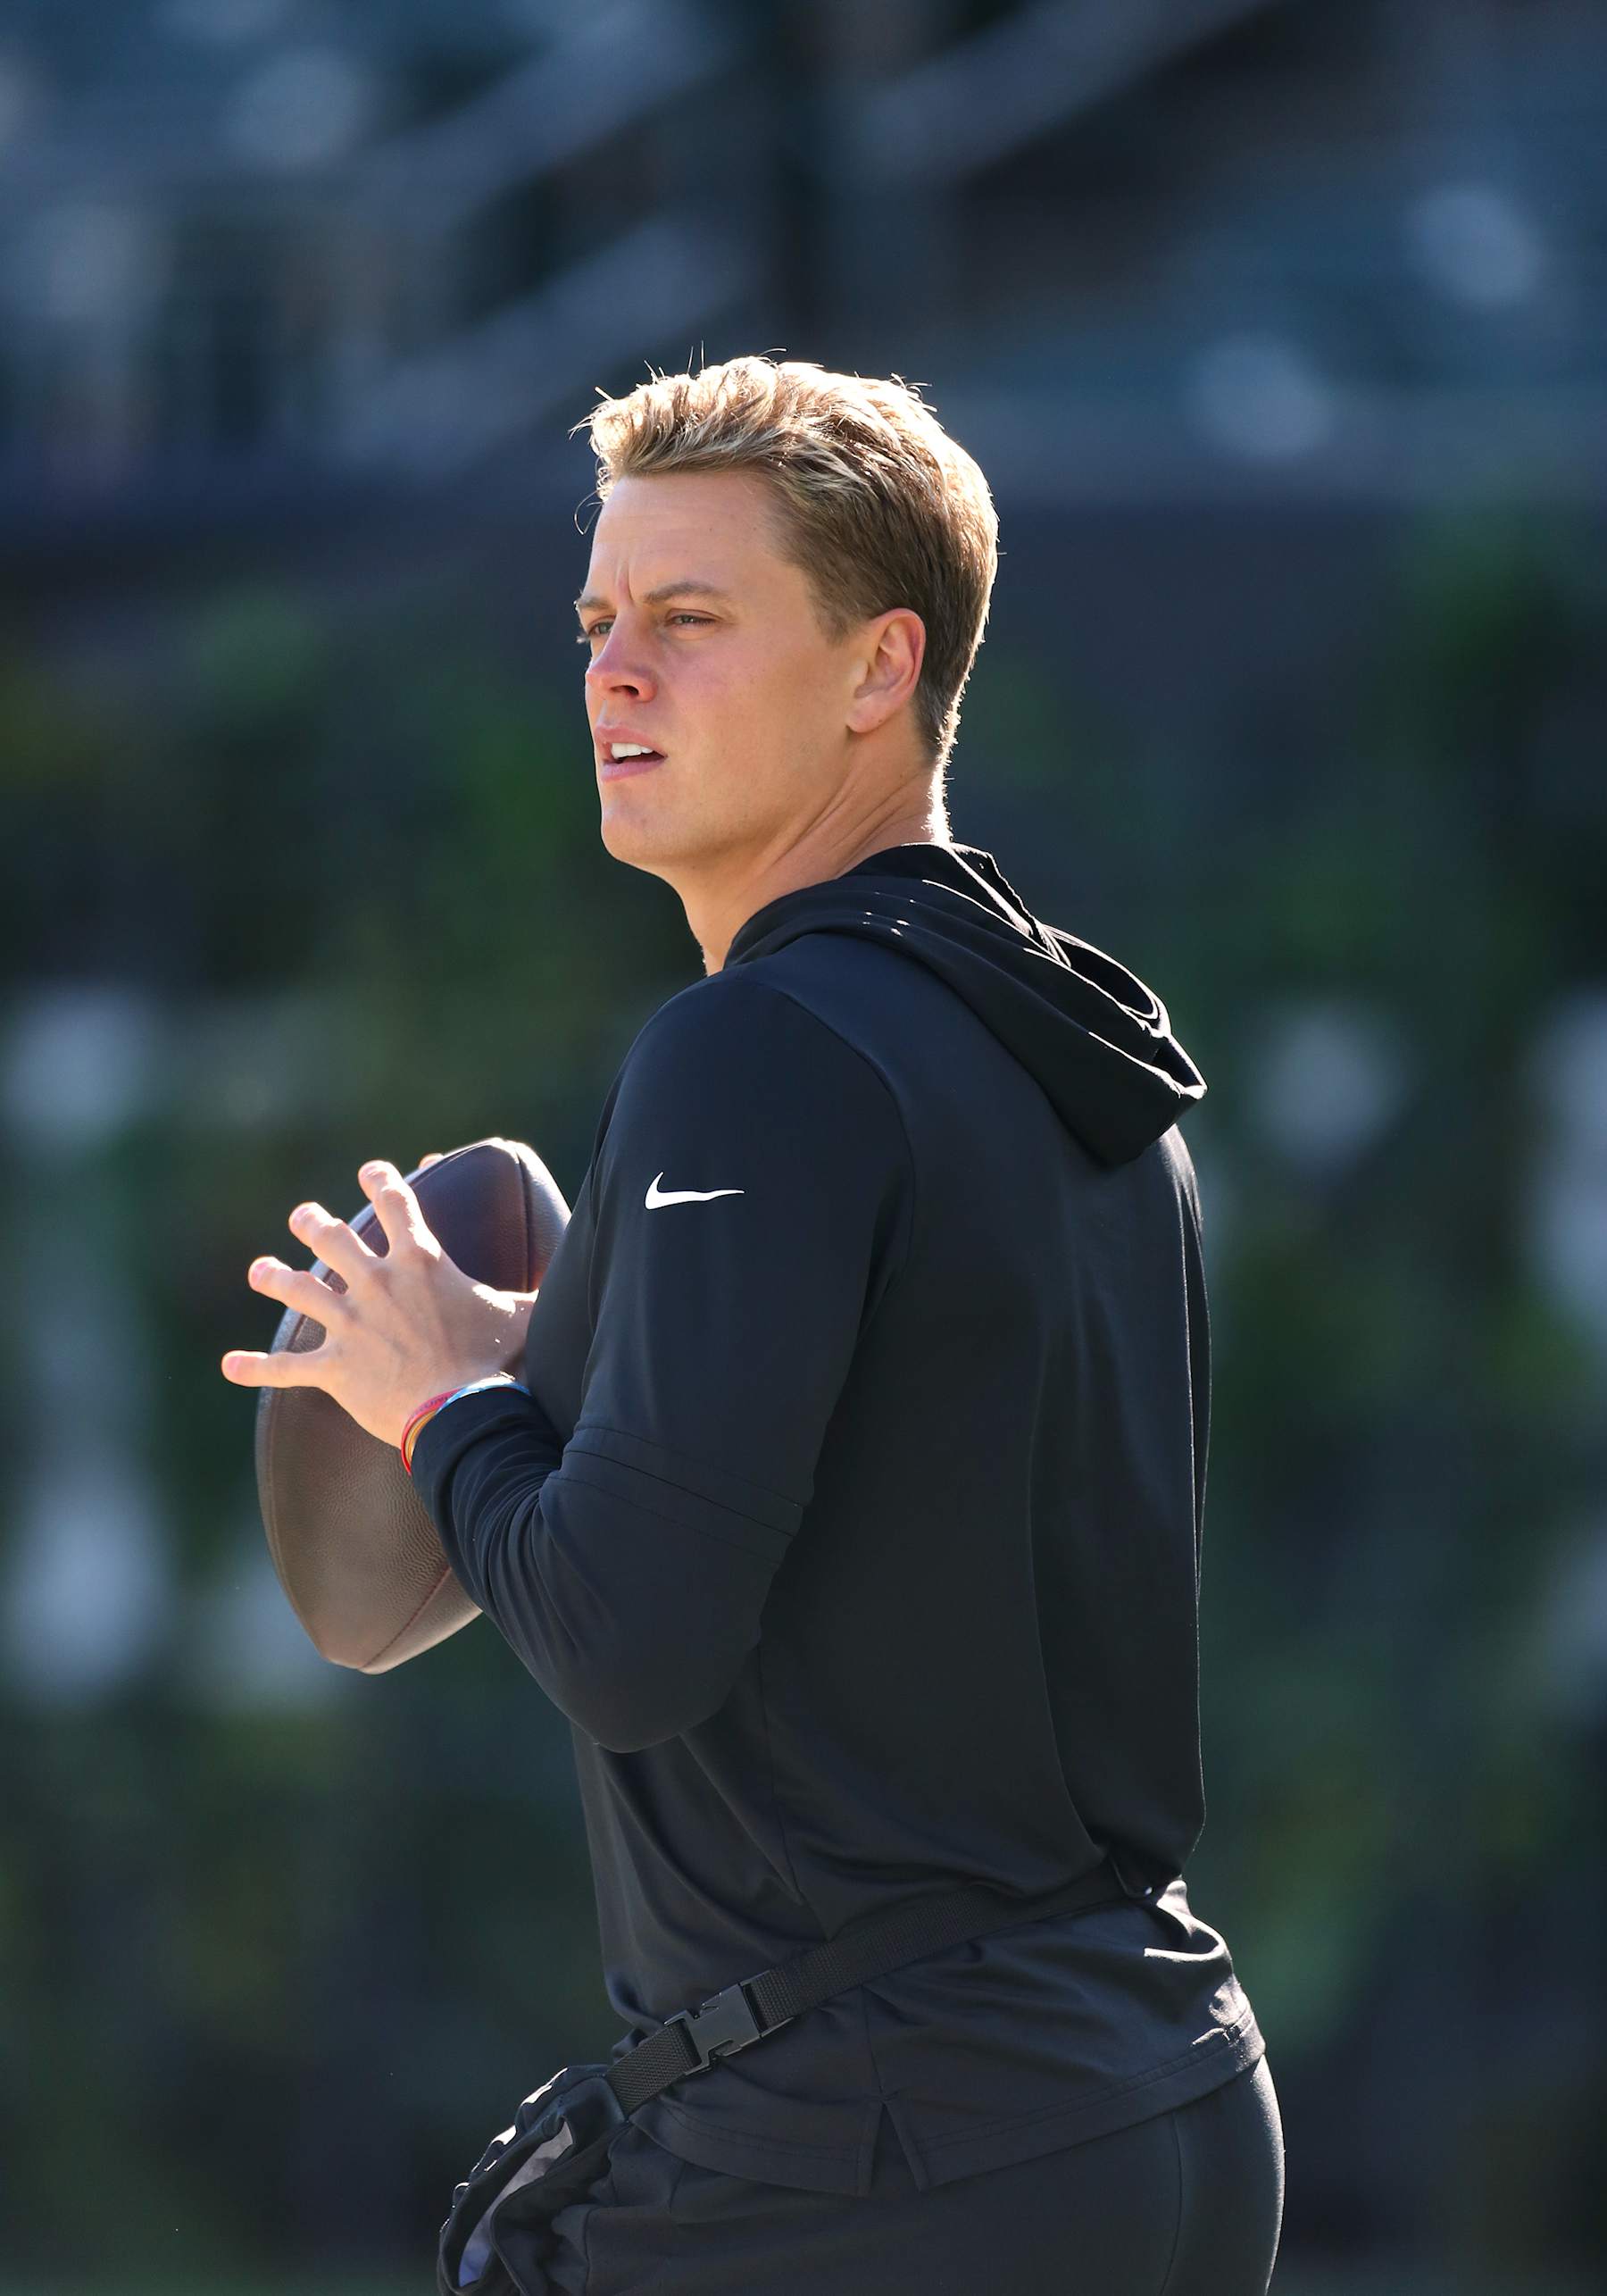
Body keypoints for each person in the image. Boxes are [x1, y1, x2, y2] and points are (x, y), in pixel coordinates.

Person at [244, 353, 1286, 2293]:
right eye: (596, 624)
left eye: (689, 619)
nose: (614, 674)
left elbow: (626, 1635)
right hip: (1153, 2101)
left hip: (875, 2152)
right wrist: (590, 1358)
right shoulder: (1068, 1060)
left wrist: (444, 1400)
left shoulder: (757, 1048)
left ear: (881, 668)